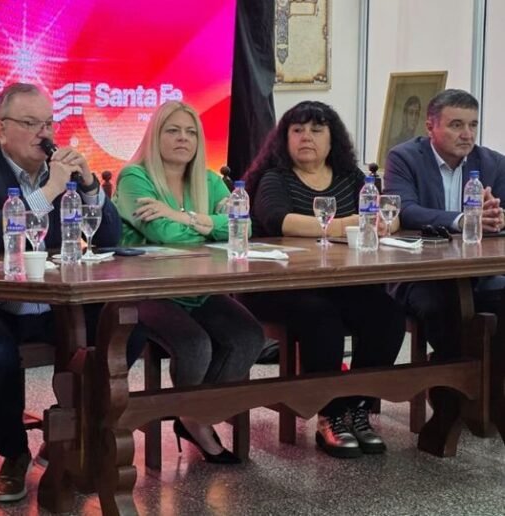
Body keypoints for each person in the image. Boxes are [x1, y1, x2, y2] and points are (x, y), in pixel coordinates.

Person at [0, 82, 122, 502]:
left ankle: (74, 436)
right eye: (31, 123)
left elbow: (110, 238)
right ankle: (14, 452)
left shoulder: (61, 169)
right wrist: (50, 190)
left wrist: (89, 185)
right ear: (1, 128)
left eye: (49, 123)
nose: (45, 133)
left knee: (123, 327)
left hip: (54, 303)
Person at [241, 100, 405, 458]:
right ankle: (330, 414)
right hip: (281, 286)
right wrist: (349, 224)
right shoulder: (275, 178)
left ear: (333, 140)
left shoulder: (350, 177)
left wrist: (386, 223)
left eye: (316, 130)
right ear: (284, 138)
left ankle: (356, 406)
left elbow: (387, 214)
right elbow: (279, 220)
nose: (306, 137)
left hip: (339, 281)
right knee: (321, 317)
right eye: (297, 130)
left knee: (387, 314)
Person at [113, 101, 265, 464]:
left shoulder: (209, 180)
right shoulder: (134, 177)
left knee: (249, 336)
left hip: (196, 287)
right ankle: (195, 421)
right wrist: (207, 225)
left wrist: (180, 216)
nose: (183, 138)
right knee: (195, 344)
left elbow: (244, 226)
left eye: (191, 132)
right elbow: (166, 235)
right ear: (155, 136)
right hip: (145, 289)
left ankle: (196, 414)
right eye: (173, 130)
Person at [385, 89, 505, 359]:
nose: (467, 134)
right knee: (444, 306)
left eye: (473, 125)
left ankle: (489, 377)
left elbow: (501, 212)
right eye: (456, 125)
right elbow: (405, 210)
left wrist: (499, 217)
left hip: (477, 272)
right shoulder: (404, 158)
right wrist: (463, 220)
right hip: (419, 273)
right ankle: (455, 377)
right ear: (430, 127)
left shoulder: (493, 163)